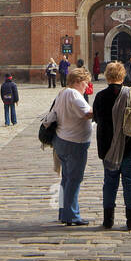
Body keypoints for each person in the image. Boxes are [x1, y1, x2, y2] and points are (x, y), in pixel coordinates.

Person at [92, 61, 131, 230]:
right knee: (130, 181)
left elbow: (96, 118)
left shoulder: (100, 96)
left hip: (108, 147)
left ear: (107, 76)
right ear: (123, 75)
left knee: (109, 182)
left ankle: (108, 220)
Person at [40, 67, 95, 225]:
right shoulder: (74, 94)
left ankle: (64, 212)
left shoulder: (63, 92)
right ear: (78, 81)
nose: (87, 86)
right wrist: (100, 111)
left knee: (66, 179)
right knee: (74, 179)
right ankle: (71, 215)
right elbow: (86, 113)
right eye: (85, 83)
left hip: (62, 139)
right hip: (74, 142)